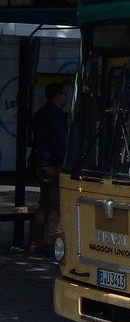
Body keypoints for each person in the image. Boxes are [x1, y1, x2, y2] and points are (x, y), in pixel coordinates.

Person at [29, 82, 69, 255]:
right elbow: (59, 143)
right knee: (54, 205)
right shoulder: (55, 116)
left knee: (43, 204)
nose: (66, 97)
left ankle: (35, 241)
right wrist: (64, 163)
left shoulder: (40, 113)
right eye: (64, 94)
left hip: (41, 163)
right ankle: (51, 241)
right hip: (53, 165)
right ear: (58, 96)